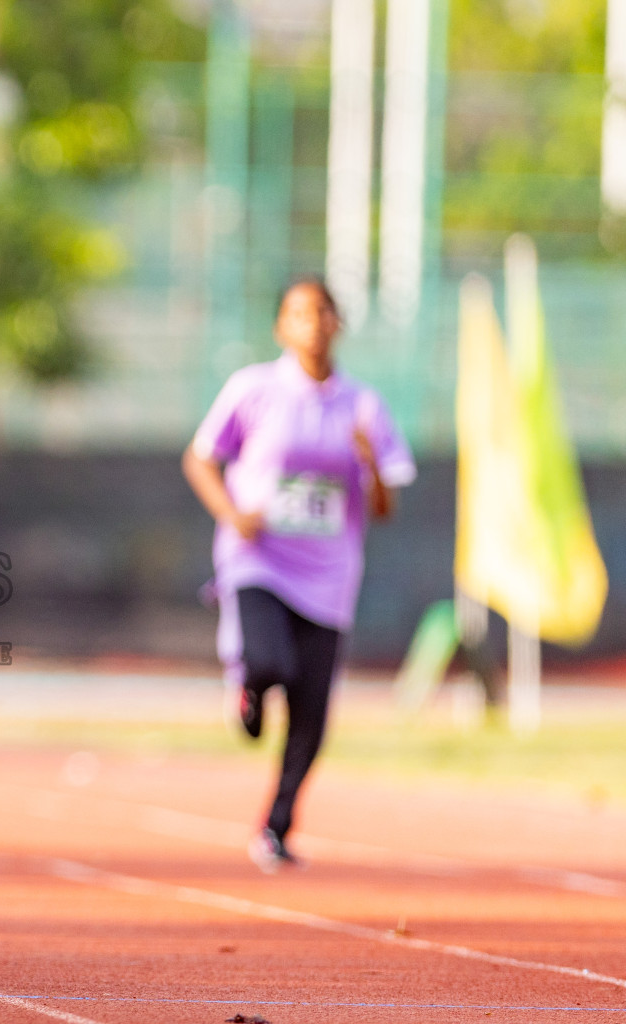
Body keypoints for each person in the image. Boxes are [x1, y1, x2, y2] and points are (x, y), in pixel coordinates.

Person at [181, 278, 415, 873]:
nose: (312, 323)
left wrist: (372, 471)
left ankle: (276, 828)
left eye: (322, 313)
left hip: (330, 572)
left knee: (311, 712)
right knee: (269, 664)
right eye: (299, 313)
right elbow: (200, 457)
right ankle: (247, 684)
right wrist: (232, 512)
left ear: (338, 323)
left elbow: (386, 506)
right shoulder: (253, 389)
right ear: (282, 327)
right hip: (257, 557)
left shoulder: (363, 405)